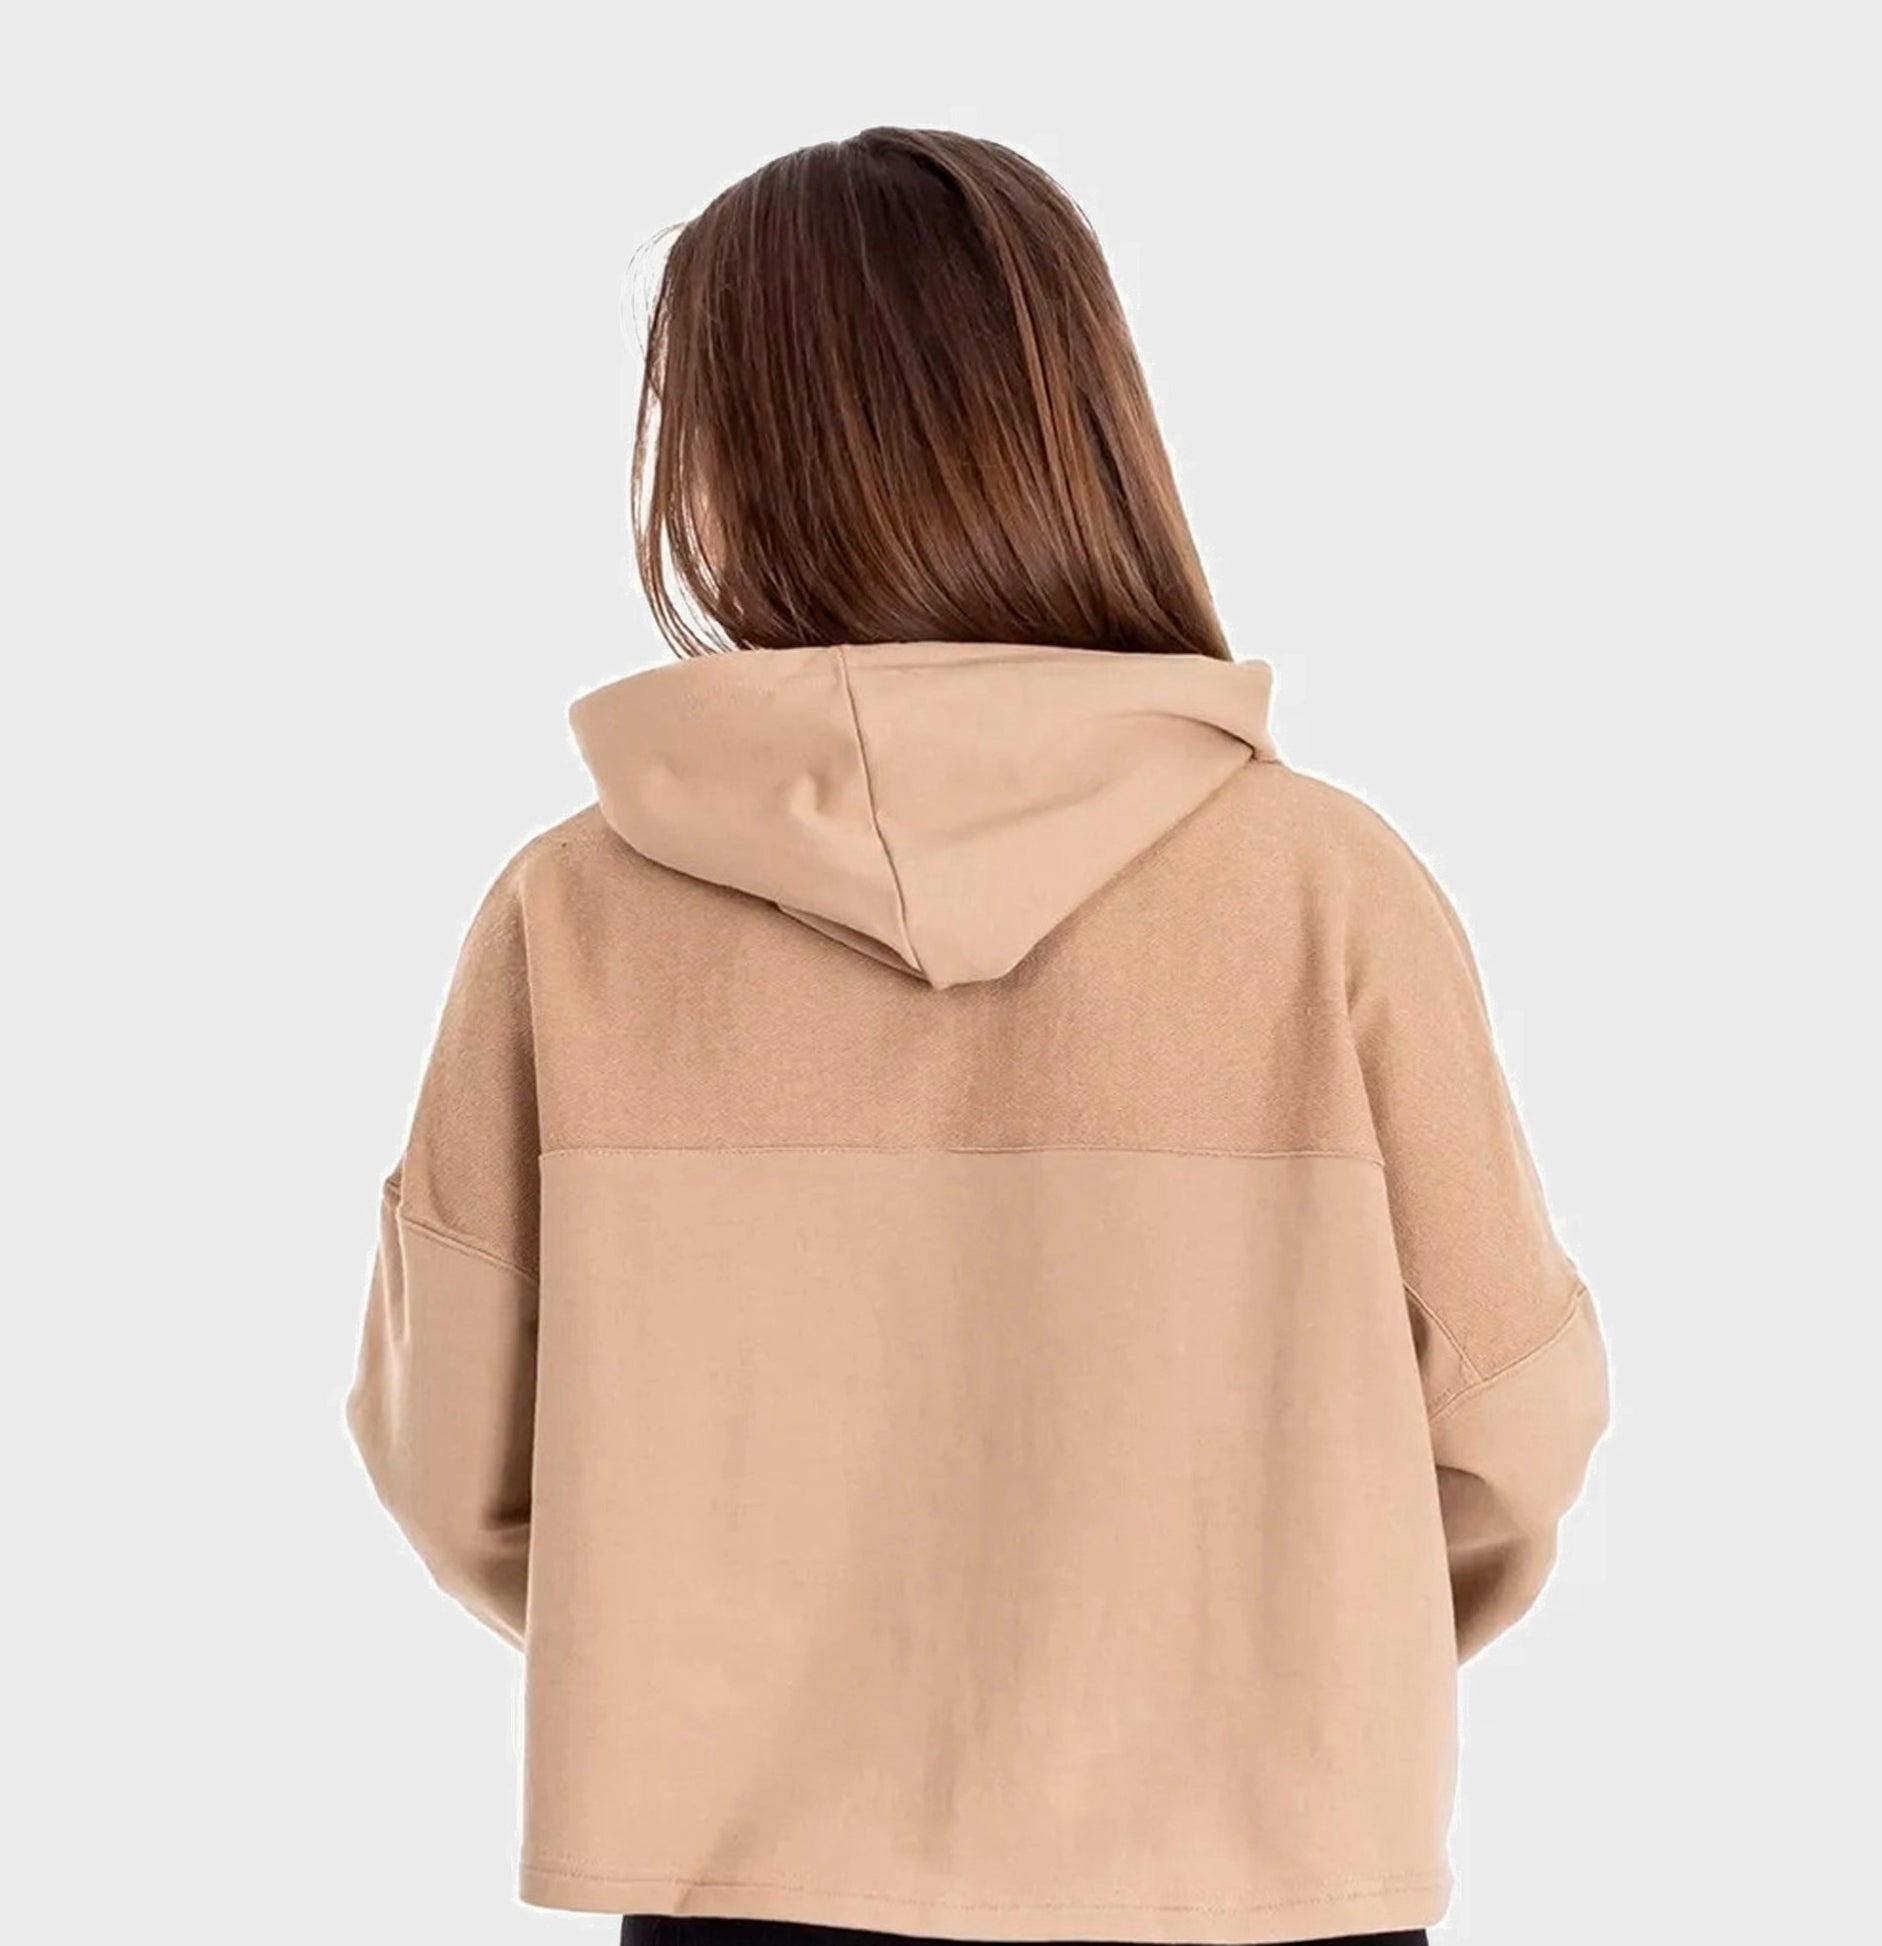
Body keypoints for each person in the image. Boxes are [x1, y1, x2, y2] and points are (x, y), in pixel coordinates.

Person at [348, 127, 1608, 1946]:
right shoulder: (1322, 887)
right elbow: (1510, 1418)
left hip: (740, 1874)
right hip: (1258, 1875)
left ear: (720, 461)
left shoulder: (574, 917)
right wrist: (1291, 1654)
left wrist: (712, 1660)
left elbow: (447, 1455)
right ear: (1078, 423)